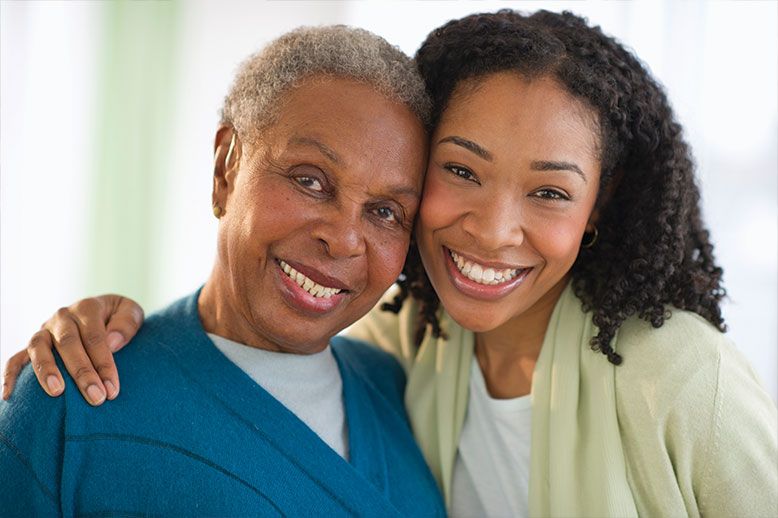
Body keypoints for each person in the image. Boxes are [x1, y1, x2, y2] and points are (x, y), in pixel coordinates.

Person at [5, 9, 778, 518]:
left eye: (548, 191)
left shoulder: (679, 380)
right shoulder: (406, 354)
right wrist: (106, 317)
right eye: (463, 172)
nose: (344, 240)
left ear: (598, 210)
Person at [0, 25, 446, 517]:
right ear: (226, 170)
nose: (342, 238)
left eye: (385, 211)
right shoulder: (72, 402)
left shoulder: (401, 392)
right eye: (310, 181)